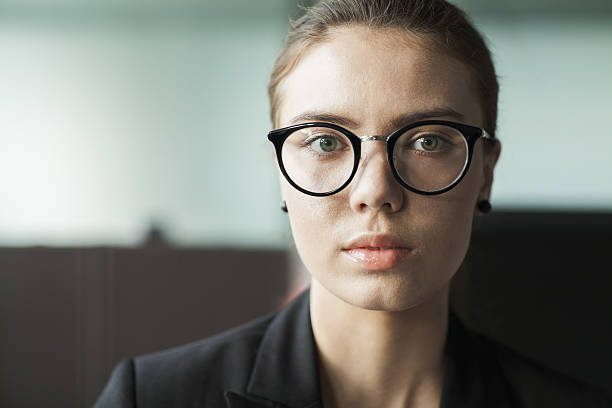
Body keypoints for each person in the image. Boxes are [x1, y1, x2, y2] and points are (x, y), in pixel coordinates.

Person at [94, 0, 611, 407]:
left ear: (484, 175)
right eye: (325, 142)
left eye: (427, 141)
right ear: (282, 175)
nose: (375, 192)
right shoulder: (155, 397)